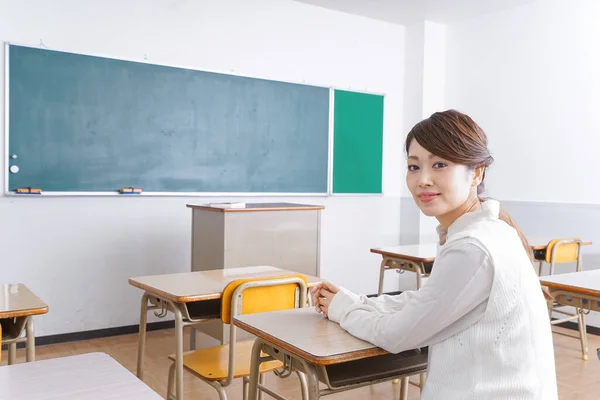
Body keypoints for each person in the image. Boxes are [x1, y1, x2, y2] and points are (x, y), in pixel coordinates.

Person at [312, 110, 558, 399]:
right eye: (414, 167)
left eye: (440, 164)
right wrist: (356, 301)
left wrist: (343, 310)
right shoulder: (492, 230)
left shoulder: (472, 249)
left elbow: (397, 335)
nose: (423, 180)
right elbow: (429, 300)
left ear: (476, 172)